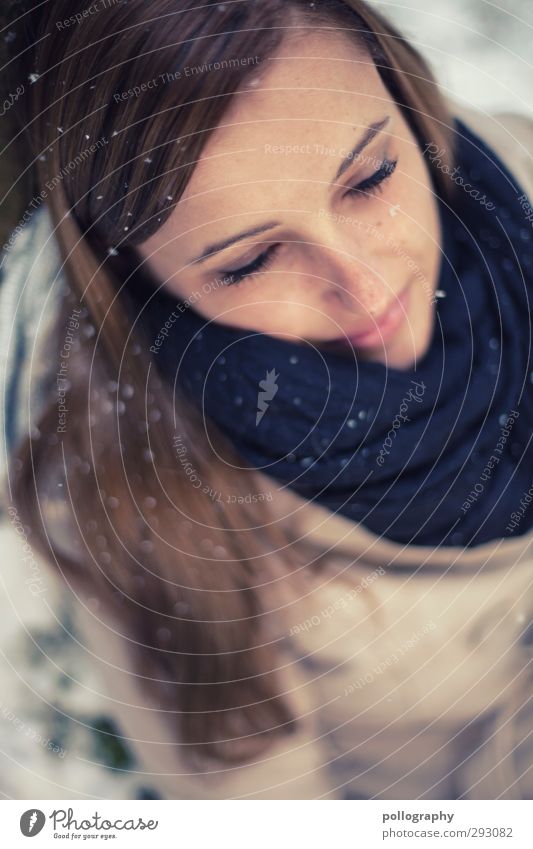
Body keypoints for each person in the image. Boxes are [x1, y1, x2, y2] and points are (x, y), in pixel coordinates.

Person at [0, 0, 531, 799]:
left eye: (369, 176)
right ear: (138, 274)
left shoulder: (517, 174)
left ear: (398, 88)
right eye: (249, 260)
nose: (369, 285)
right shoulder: (135, 496)